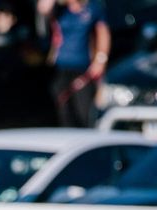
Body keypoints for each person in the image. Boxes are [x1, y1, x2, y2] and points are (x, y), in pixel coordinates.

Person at [38, 0, 111, 128]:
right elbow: (43, 8)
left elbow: (103, 34)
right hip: (59, 68)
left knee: (84, 112)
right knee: (64, 112)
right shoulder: (60, 10)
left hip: (83, 68)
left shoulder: (92, 8)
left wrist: (100, 61)